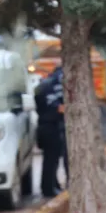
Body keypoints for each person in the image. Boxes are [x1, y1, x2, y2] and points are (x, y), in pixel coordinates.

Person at [34, 66, 66, 198]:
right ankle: (48, 189)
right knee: (51, 160)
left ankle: (53, 185)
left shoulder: (42, 86)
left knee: (49, 160)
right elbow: (59, 108)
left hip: (43, 126)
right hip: (51, 126)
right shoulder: (53, 86)